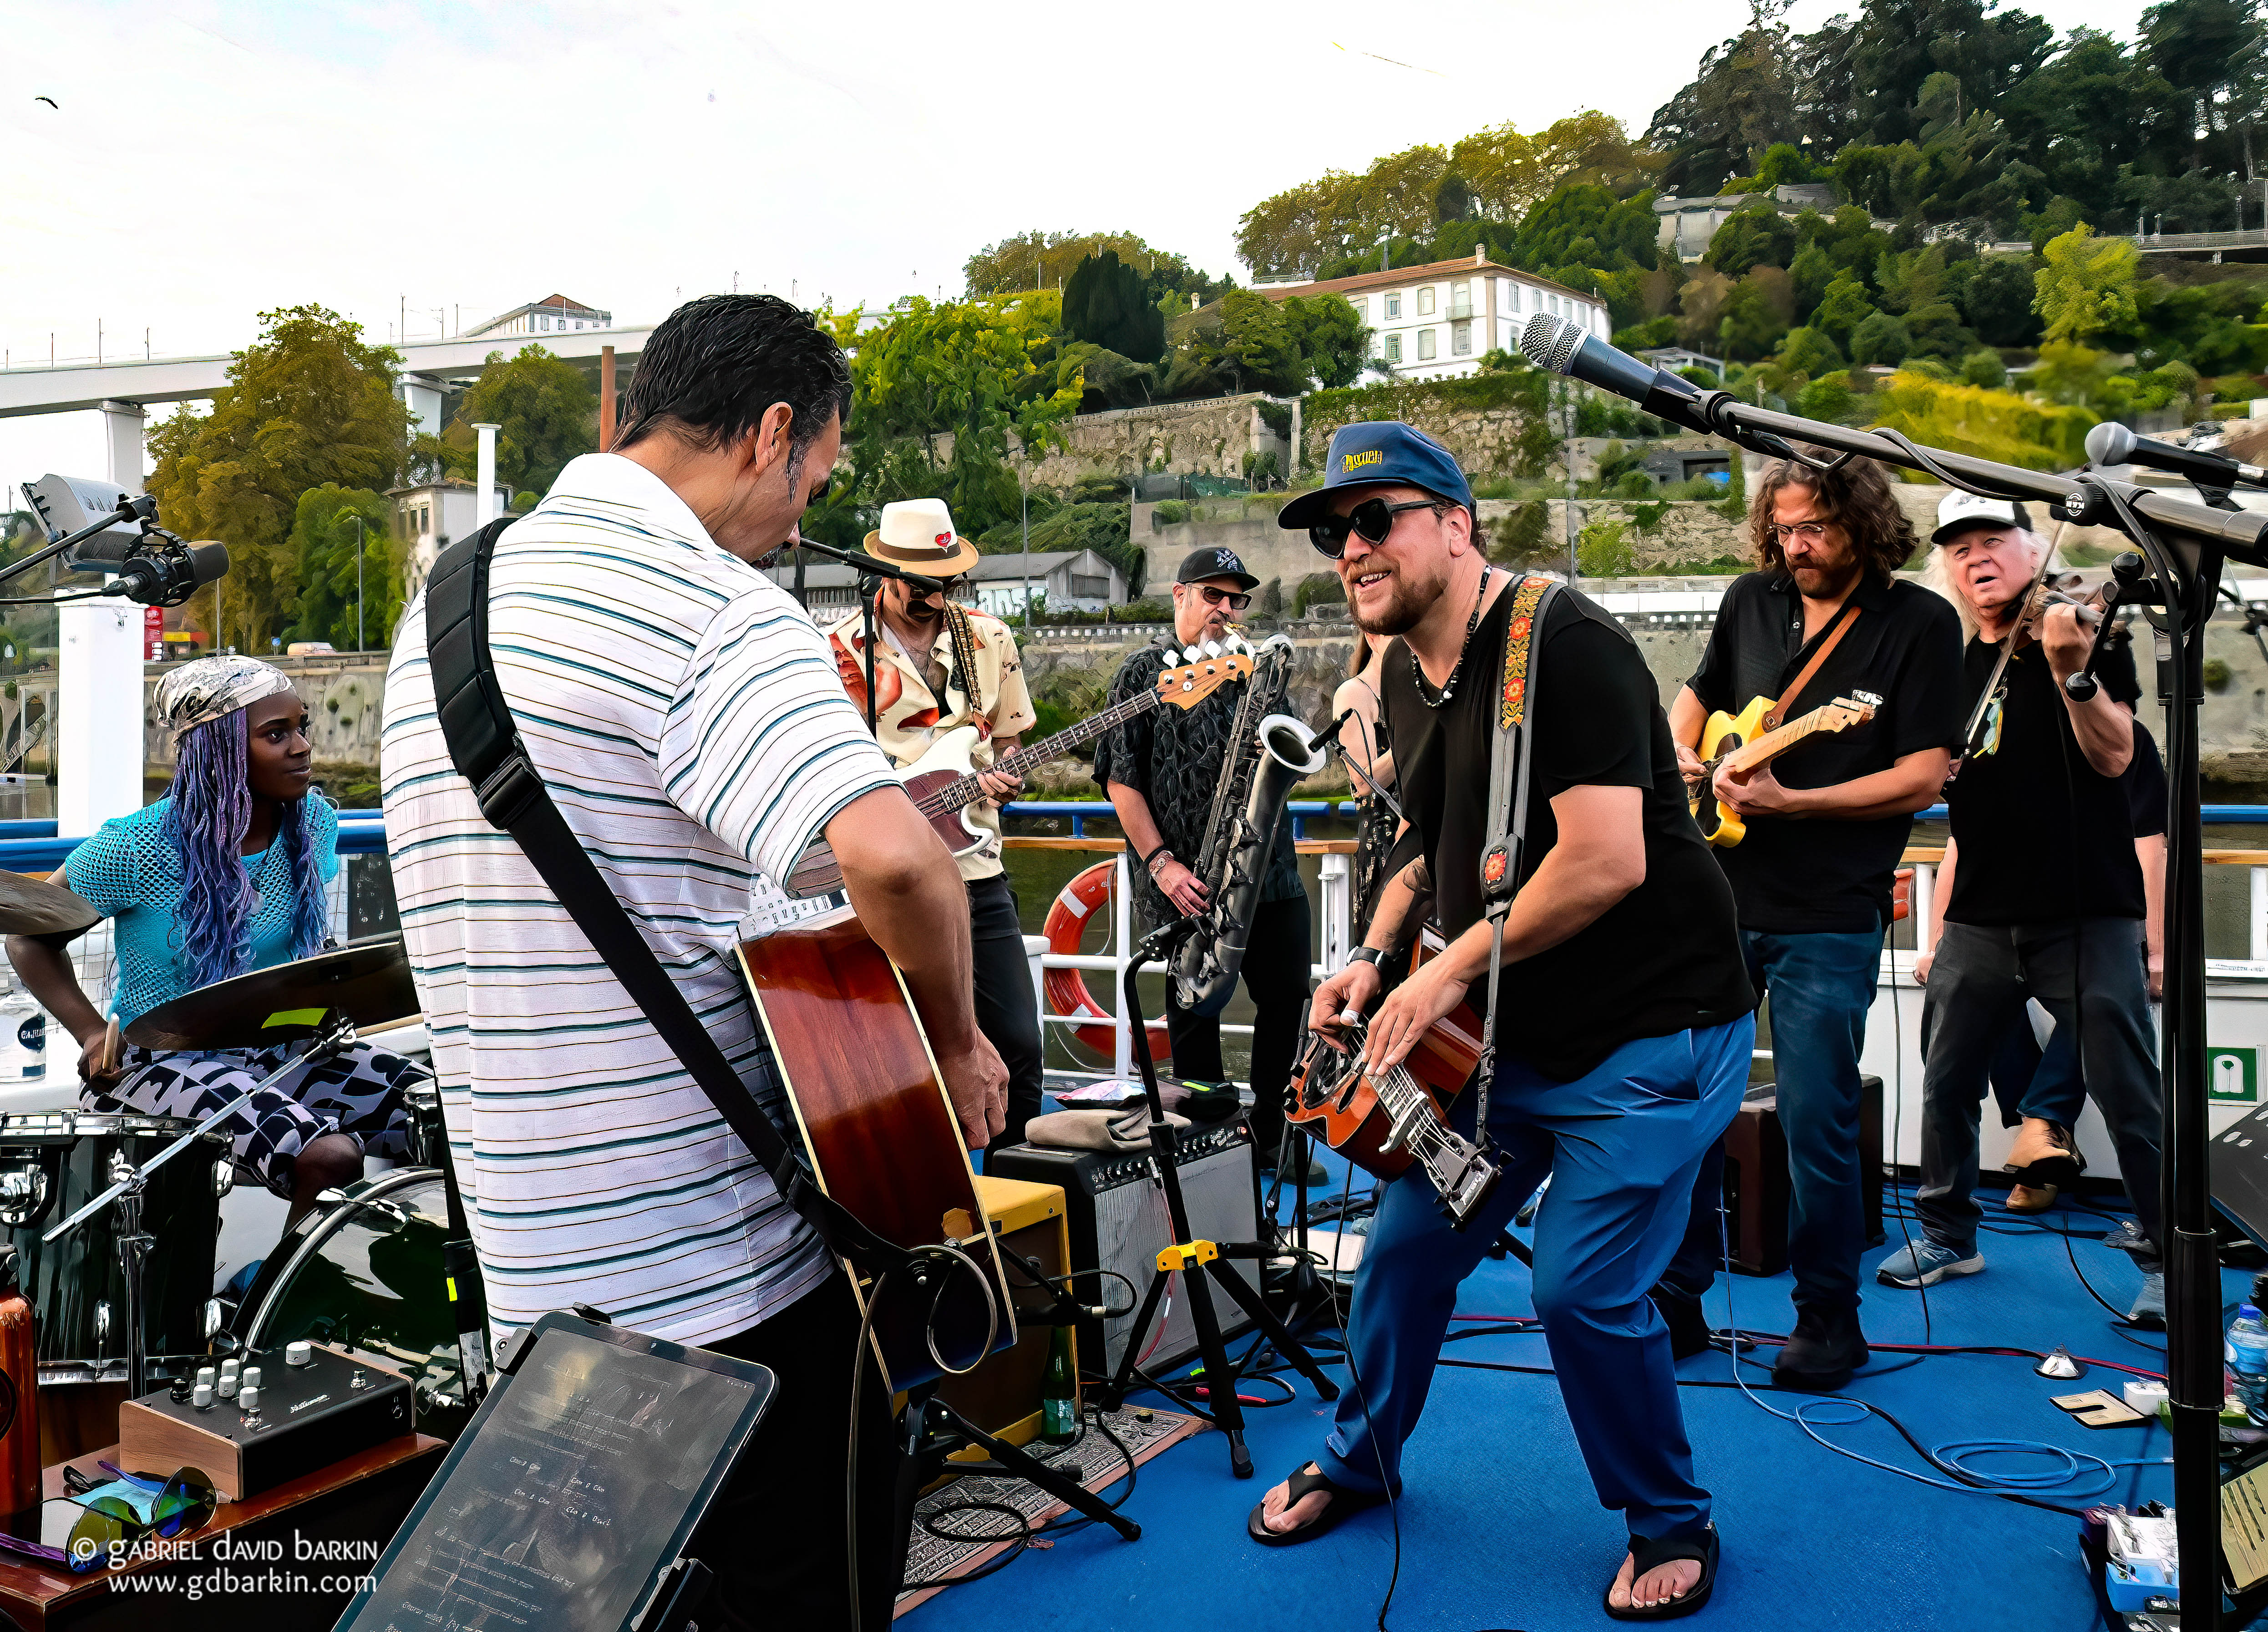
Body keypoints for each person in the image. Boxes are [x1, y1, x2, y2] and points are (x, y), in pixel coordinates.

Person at [381, 294, 1006, 1631]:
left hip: (535, 1280)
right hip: (726, 1295)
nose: (798, 523)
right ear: (774, 433)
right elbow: (899, 863)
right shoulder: (709, 607)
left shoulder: (440, 611)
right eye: (814, 481)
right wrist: (952, 1049)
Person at [1252, 422, 1755, 1621]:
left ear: (1454, 524)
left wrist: (1440, 978)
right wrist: (1375, 957)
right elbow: (1429, 847)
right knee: (1404, 1253)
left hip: (1652, 1034)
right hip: (1513, 1044)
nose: (1349, 549)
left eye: (1373, 521)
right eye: (1334, 535)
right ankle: (1360, 1457)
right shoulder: (1402, 680)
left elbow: (1602, 861)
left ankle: (1667, 1520)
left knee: (1579, 1292)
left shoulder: (1565, 646)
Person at [1649, 452, 1965, 1391]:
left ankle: (1829, 1317)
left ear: (1862, 522)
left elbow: (1921, 774)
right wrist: (1677, 755)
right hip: (1720, 895)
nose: (1797, 545)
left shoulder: (1919, 624)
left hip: (1829, 910)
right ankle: (1676, 1298)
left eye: (1816, 527)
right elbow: (1699, 698)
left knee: (1817, 1118)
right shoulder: (1749, 600)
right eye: (1783, 528)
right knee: (1684, 1108)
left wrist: (1795, 803)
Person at [7, 656, 421, 1243]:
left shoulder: (314, 825)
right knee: (328, 1157)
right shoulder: (139, 847)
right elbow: (29, 933)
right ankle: (275, 1319)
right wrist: (92, 1033)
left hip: (285, 1049)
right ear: (220, 750)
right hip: (156, 1064)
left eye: (302, 727)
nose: (303, 747)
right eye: (277, 734)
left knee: (444, 1112)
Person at [1887, 493, 2164, 1326]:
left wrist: (2068, 668)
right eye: (1960, 546)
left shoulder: (2087, 637)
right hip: (1978, 916)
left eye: (1994, 541)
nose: (1976, 559)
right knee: (1942, 1085)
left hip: (2088, 914)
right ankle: (1947, 1232)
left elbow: (2117, 759)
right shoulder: (1953, 669)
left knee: (2129, 1093)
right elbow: (1962, 811)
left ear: (2033, 546)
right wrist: (1936, 931)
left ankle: (2160, 1255)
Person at [1093, 545, 1319, 1184]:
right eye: (1212, 595)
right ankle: (1207, 1145)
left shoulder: (1255, 667)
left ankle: (1277, 1137)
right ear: (1179, 596)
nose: (1224, 609)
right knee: (1193, 1015)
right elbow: (1119, 779)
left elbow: (1292, 750)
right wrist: (1161, 864)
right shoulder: (1143, 671)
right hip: (1186, 882)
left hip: (1266, 871)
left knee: (1287, 1006)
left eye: (1235, 599)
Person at [825, 496, 1042, 1149]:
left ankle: (1020, 1204)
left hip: (976, 868)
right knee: (905, 1065)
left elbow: (1009, 739)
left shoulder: (988, 639)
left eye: (949, 584)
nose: (938, 597)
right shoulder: (835, 650)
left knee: (1021, 1048)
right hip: (884, 885)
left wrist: (1008, 771)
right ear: (884, 573)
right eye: (924, 587)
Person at [1982, 717, 2166, 1214]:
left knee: (2098, 999)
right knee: (1982, 998)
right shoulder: (2005, 732)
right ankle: (2043, 1138)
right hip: (2016, 914)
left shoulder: (2127, 740)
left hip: (2105, 916)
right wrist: (1939, 939)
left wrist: (2154, 946)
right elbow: (1966, 841)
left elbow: (2148, 847)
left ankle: (2041, 1128)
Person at [1334, 630, 1400, 937]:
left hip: (1429, 845)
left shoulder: (1415, 690)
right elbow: (1363, 781)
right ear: (1373, 636)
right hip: (1385, 849)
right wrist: (1422, 734)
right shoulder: (1355, 692)